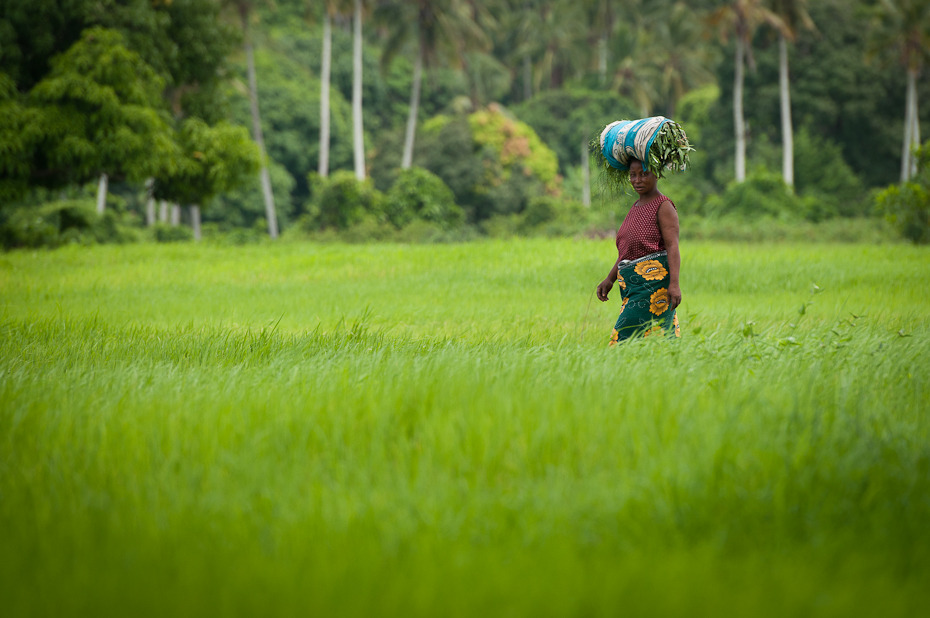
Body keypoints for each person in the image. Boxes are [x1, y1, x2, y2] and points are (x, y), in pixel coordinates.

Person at [595, 159, 682, 344]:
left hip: (652, 287)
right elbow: (627, 252)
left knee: (623, 339)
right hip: (632, 288)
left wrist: (674, 284)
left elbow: (672, 246)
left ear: (656, 174)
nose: (637, 180)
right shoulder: (635, 207)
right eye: (633, 175)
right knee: (650, 343)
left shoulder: (663, 205)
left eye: (643, 174)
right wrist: (610, 279)